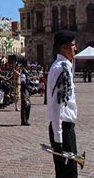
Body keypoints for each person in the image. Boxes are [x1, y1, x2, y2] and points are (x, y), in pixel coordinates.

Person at [47, 31, 79, 178]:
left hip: (65, 128)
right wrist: (58, 140)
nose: (76, 48)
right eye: (73, 45)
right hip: (63, 129)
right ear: (64, 47)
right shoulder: (61, 69)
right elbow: (57, 106)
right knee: (68, 174)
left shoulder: (64, 66)